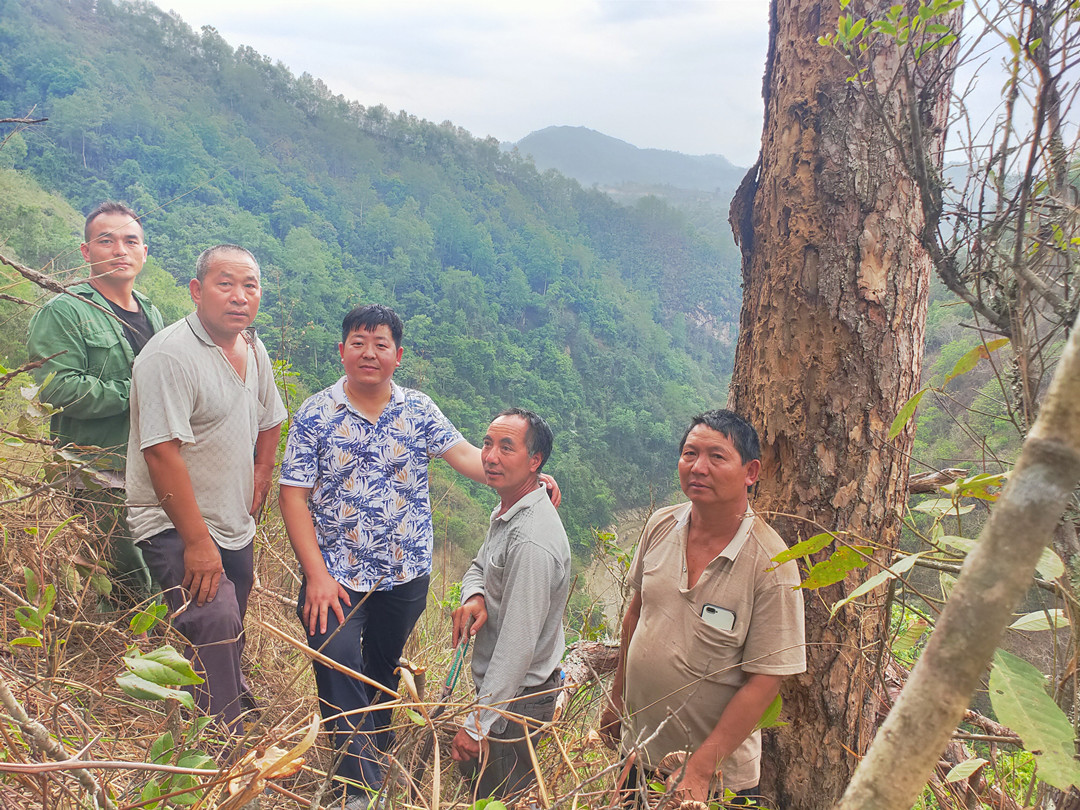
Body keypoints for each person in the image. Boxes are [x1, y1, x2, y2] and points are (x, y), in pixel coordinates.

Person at [279, 305, 559, 807]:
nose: (369, 352)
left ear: (398, 355)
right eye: (359, 342)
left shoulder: (418, 410)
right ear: (341, 349)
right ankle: (361, 784)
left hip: (405, 574)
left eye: (381, 343)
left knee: (381, 668)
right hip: (336, 576)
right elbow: (293, 495)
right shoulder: (315, 414)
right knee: (337, 664)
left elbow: (470, 457)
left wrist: (528, 479)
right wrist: (315, 574)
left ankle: (375, 753)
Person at [599, 409, 806, 805]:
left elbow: (765, 681)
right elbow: (636, 614)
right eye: (690, 454)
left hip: (714, 781)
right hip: (639, 756)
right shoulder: (661, 525)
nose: (699, 467)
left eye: (717, 456)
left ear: (751, 472)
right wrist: (615, 701)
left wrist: (700, 769)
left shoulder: (771, 564)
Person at [125, 244, 286, 733]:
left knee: (232, 618)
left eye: (250, 286)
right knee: (213, 620)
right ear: (197, 291)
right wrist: (197, 542)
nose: (239, 297)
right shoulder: (171, 357)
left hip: (233, 519)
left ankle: (224, 695)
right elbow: (161, 453)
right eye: (225, 284)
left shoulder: (252, 349)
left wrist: (262, 470)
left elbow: (270, 416)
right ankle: (223, 747)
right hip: (175, 522)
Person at [27, 202, 165, 608]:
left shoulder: (151, 311)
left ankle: (135, 654)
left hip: (149, 469)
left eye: (130, 241)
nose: (119, 249)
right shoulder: (65, 310)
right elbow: (57, 388)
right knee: (126, 580)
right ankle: (110, 661)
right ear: (86, 252)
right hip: (96, 471)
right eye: (106, 241)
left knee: (157, 574)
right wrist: (137, 389)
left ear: (144, 252)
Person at [450, 408, 570, 800]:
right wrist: (476, 595)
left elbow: (517, 647)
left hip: (515, 705)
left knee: (501, 800)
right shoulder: (508, 510)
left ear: (535, 461)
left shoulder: (532, 540)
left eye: (506, 447)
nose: (490, 456)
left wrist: (477, 725)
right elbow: (478, 565)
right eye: (487, 443)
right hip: (503, 698)